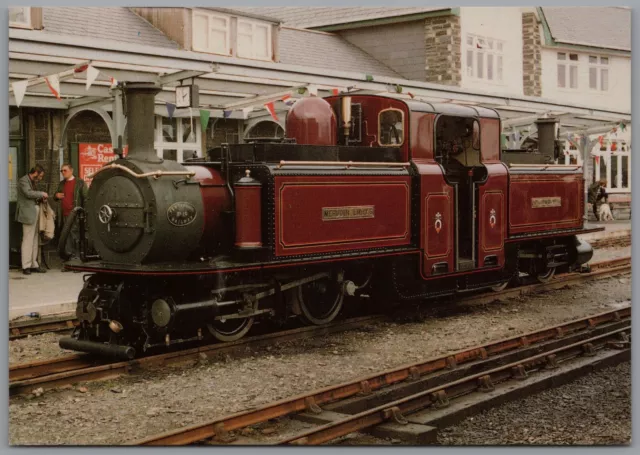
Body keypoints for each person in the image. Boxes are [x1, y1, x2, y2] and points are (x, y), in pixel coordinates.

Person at [15, 165, 48, 275]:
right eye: (40, 176)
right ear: (36, 173)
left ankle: (33, 264)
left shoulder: (32, 181)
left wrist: (39, 197)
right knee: (28, 239)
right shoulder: (23, 180)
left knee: (35, 238)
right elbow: (28, 193)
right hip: (28, 213)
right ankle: (26, 265)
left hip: (33, 211)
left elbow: (31, 195)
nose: (41, 178)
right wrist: (41, 194)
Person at [53, 164, 88, 261]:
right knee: (66, 236)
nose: (63, 172)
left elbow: (86, 198)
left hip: (75, 215)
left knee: (74, 235)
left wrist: (83, 213)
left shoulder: (80, 183)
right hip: (64, 214)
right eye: (62, 171)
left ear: (71, 171)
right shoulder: (62, 183)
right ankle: (69, 258)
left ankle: (76, 258)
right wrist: (56, 195)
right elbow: (55, 196)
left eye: (65, 170)